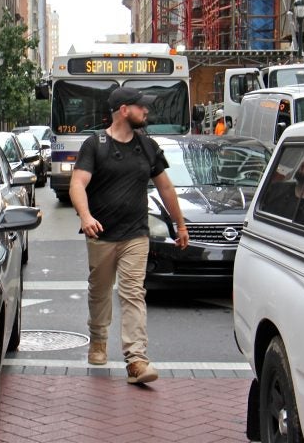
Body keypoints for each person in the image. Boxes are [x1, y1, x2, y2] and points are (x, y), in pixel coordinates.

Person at [69, 86, 189, 385]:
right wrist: (86, 217)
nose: (146, 111)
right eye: (141, 107)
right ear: (124, 110)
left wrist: (181, 225)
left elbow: (165, 187)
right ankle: (98, 339)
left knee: (133, 292)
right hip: (101, 235)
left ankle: (136, 359)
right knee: (99, 293)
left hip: (136, 233)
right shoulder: (94, 144)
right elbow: (77, 184)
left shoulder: (147, 146)